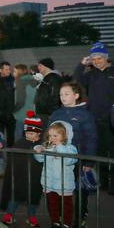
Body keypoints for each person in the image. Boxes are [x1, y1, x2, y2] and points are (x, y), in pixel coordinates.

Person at [49, 82, 97, 226]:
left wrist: (88, 162)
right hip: (58, 160)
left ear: (76, 96)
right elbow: (49, 135)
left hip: (78, 160)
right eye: (61, 95)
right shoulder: (56, 113)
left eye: (66, 94)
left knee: (80, 190)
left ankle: (80, 217)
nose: (63, 97)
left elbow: (91, 138)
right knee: (60, 189)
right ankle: (60, 219)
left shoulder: (85, 115)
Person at [73, 42, 114, 194]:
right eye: (94, 59)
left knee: (112, 151)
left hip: (111, 119)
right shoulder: (91, 75)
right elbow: (76, 81)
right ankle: (103, 182)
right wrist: (81, 65)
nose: (97, 61)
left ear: (106, 57)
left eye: (99, 58)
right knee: (101, 152)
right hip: (95, 119)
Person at [0, 111, 44, 227]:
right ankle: (9, 215)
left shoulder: (43, 145)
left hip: (35, 178)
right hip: (20, 177)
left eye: (32, 133)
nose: (29, 135)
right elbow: (14, 159)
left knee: (33, 199)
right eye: (28, 133)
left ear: (38, 133)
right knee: (15, 197)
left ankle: (31, 217)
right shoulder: (20, 143)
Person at [34, 121, 78, 228]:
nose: (52, 138)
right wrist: (38, 150)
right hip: (49, 182)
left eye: (55, 135)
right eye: (50, 135)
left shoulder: (70, 148)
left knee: (66, 206)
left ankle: (67, 224)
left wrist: (59, 146)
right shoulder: (48, 146)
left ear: (65, 135)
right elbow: (40, 159)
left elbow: (69, 160)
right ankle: (55, 222)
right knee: (52, 205)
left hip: (64, 184)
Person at [12, 64, 38, 142]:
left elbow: (20, 101)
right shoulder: (33, 80)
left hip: (22, 114)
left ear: (20, 72)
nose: (13, 73)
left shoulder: (20, 82)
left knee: (18, 138)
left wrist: (13, 110)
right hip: (32, 113)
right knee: (31, 138)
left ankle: (18, 153)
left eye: (15, 71)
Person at [33, 57, 63, 125]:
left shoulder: (53, 78)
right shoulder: (45, 79)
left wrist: (51, 113)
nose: (38, 67)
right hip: (43, 113)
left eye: (40, 65)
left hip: (47, 114)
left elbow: (55, 96)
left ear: (46, 66)